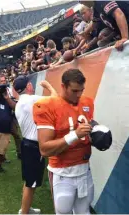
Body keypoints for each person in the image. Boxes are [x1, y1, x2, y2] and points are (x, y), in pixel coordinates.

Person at [33, 69, 94, 214]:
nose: (79, 94)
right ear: (63, 86)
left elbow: (87, 132)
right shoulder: (47, 106)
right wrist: (75, 135)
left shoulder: (87, 102)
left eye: (81, 90)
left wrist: (98, 135)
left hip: (84, 169)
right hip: (62, 171)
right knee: (63, 211)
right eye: (74, 90)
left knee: (84, 211)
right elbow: (45, 149)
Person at [14, 76, 57, 214]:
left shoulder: (21, 102)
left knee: (28, 181)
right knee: (31, 184)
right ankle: (25, 212)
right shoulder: (31, 100)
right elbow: (56, 100)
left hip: (28, 144)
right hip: (33, 146)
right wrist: (48, 86)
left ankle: (25, 209)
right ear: (28, 86)